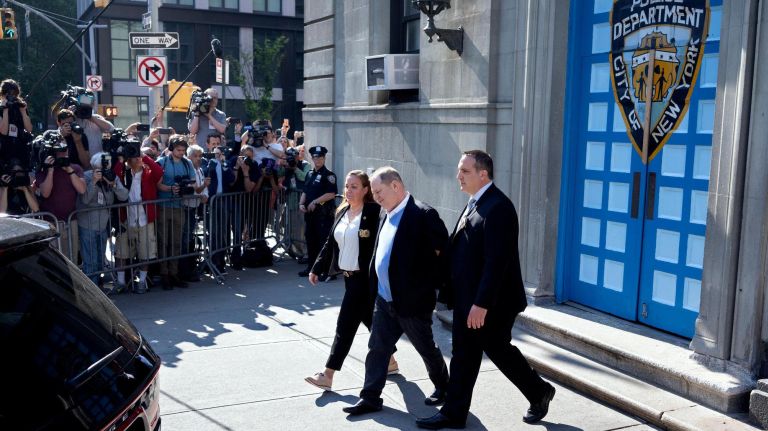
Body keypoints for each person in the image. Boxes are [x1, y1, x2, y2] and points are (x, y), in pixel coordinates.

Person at [415, 151, 556, 430]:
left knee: (479, 352)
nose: (458, 176)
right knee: (480, 352)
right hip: (470, 298)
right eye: (459, 170)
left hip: (492, 302)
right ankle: (536, 392)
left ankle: (457, 412)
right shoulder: (474, 203)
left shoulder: (498, 207)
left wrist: (481, 304)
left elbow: (497, 262)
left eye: (464, 171)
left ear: (483, 174)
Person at [342, 167, 450, 416]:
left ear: (396, 187)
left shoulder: (423, 214)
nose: (376, 197)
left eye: (379, 191)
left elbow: (442, 256)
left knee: (426, 347)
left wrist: (425, 288)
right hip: (385, 299)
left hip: (412, 302)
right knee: (378, 348)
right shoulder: (385, 213)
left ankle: (445, 386)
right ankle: (370, 397)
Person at [304, 170, 399, 391]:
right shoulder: (342, 211)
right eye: (347, 186)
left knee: (344, 326)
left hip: (365, 280)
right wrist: (317, 267)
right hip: (348, 279)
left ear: (366, 190)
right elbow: (330, 243)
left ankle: (328, 374)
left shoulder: (374, 212)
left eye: (354, 186)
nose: (348, 190)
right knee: (371, 321)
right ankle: (391, 362)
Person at [113, 146, 164, 294]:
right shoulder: (123, 172)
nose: (138, 159)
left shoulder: (148, 172)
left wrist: (143, 154)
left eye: (139, 157)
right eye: (134, 157)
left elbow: (159, 173)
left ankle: (142, 281)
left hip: (144, 219)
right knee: (121, 252)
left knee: (145, 253)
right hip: (126, 219)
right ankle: (121, 282)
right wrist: (122, 158)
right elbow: (114, 173)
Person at [34, 132, 87, 262]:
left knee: (72, 261)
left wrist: (69, 170)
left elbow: (82, 189)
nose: (62, 153)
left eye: (64, 149)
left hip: (70, 221)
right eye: (59, 151)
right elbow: (46, 193)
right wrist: (50, 170)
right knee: (54, 262)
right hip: (50, 223)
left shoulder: (75, 168)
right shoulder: (43, 170)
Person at [77, 152, 128, 286]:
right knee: (90, 261)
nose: (106, 170)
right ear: (95, 167)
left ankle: (97, 287)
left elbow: (124, 196)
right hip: (87, 225)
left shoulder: (112, 177)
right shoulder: (86, 177)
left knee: (100, 260)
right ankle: (91, 291)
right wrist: (94, 182)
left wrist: (113, 185)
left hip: (103, 225)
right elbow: (86, 199)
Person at [156, 134, 195, 289]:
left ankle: (174, 273)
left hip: (179, 207)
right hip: (164, 206)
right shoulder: (162, 162)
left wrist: (185, 188)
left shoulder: (188, 163)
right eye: (178, 150)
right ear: (171, 148)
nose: (181, 153)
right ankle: (164, 274)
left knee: (176, 242)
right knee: (163, 241)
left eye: (183, 150)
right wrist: (170, 188)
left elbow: (191, 183)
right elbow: (157, 185)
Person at [298, 146, 337, 278]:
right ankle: (312, 268)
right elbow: (305, 191)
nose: (317, 159)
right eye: (315, 157)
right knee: (311, 241)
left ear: (324, 158)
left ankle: (327, 271)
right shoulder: (309, 174)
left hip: (323, 215)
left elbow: (331, 194)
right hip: (311, 215)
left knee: (323, 243)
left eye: (320, 157)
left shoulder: (329, 175)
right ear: (312, 158)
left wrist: (315, 202)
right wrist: (301, 204)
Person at [0, 79, 33, 167]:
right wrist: (5, 110)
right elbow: (3, 131)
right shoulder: (1, 108)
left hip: (20, 148)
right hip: (4, 149)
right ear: (3, 94)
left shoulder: (20, 106)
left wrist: (23, 111)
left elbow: (29, 129)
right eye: (8, 94)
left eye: (14, 94)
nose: (11, 97)